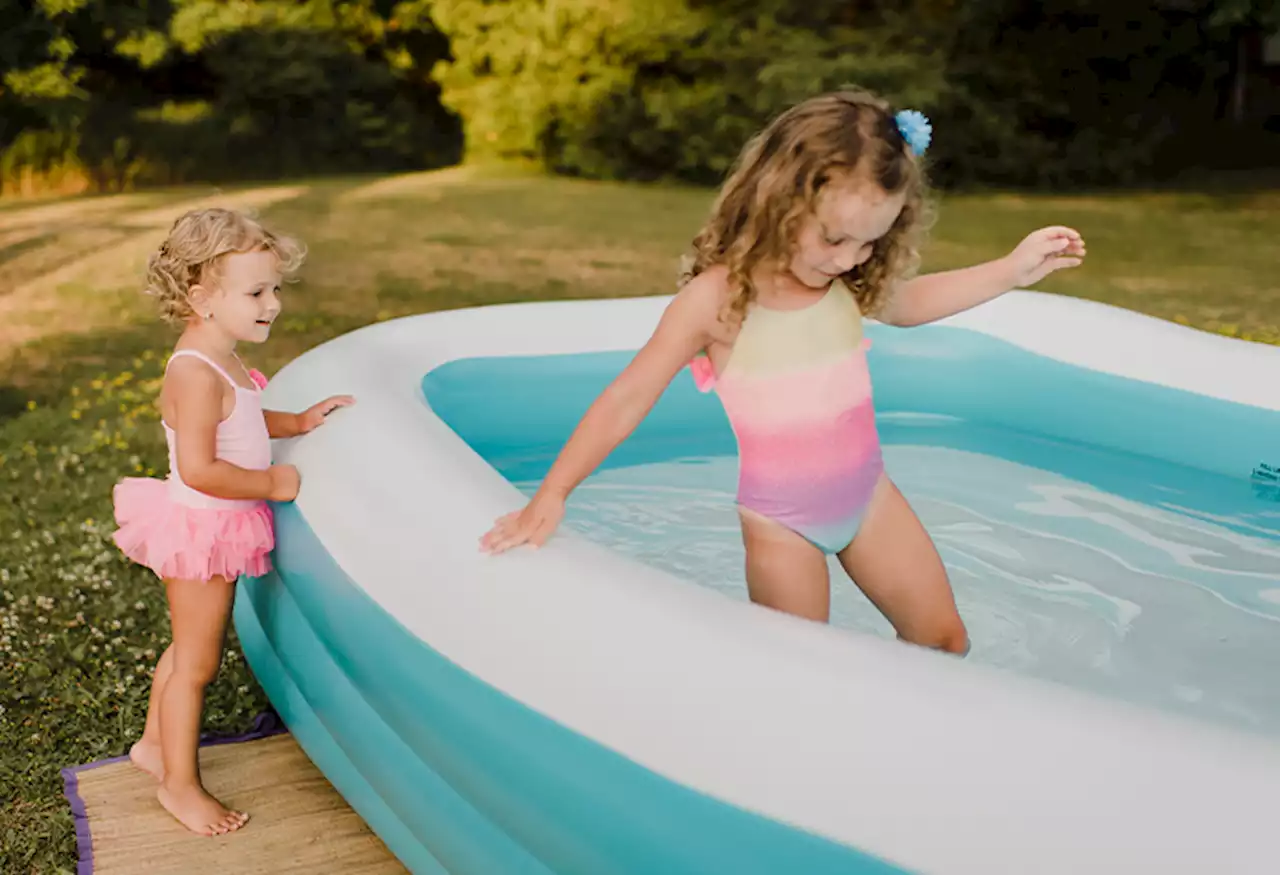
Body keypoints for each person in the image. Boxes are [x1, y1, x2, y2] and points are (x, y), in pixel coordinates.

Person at [479, 89, 1086, 653]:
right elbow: (629, 395)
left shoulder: (844, 278)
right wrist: (553, 492)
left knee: (944, 640)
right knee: (801, 673)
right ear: (780, 203)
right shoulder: (718, 300)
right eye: (835, 238)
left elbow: (910, 304)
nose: (850, 258)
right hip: (783, 527)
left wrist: (1011, 270)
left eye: (869, 242)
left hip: (870, 499)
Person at [111, 208, 353, 836]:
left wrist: (295, 422)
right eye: (256, 292)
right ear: (202, 297)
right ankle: (180, 787)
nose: (273, 303)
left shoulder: (221, 356)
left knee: (184, 649)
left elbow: (241, 418)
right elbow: (199, 468)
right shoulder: (193, 371)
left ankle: (152, 747)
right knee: (197, 664)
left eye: (275, 289)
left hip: (211, 528)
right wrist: (273, 482)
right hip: (201, 531)